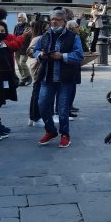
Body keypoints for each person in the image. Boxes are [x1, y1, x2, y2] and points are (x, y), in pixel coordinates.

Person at [35, 9, 84, 147]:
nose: (54, 22)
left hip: (65, 78)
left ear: (64, 21)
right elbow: (35, 50)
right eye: (52, 19)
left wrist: (62, 56)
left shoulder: (73, 37)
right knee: (42, 104)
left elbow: (79, 55)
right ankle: (50, 131)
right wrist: (40, 55)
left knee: (62, 109)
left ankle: (65, 134)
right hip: (47, 77)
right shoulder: (45, 36)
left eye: (57, 19)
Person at [26, 19, 49, 126]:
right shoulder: (39, 38)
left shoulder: (40, 37)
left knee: (37, 92)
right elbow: (29, 51)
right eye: (46, 27)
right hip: (38, 68)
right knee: (38, 93)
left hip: (39, 67)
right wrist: (41, 54)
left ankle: (33, 117)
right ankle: (35, 117)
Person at [12, 13, 32, 86]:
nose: (19, 18)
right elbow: (14, 35)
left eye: (20, 17)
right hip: (17, 47)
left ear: (24, 18)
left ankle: (28, 77)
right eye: (18, 17)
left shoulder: (28, 26)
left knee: (22, 62)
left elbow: (29, 37)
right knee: (18, 64)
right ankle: (23, 78)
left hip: (25, 47)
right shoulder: (16, 26)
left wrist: (30, 47)